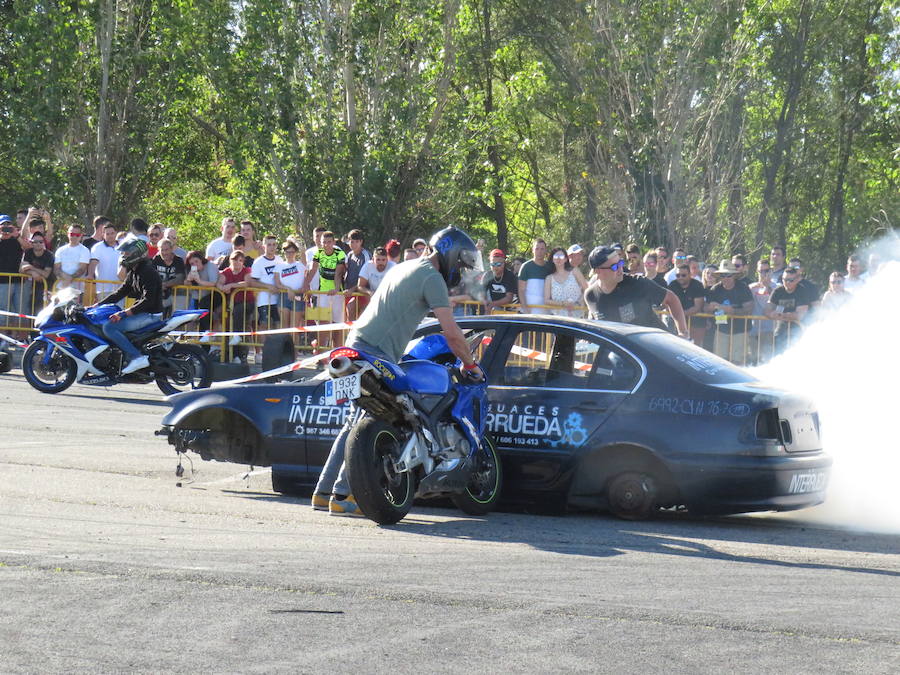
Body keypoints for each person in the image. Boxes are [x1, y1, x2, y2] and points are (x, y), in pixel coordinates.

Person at [312, 226, 485, 517]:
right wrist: (470, 365)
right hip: (376, 352)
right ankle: (344, 494)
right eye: (461, 262)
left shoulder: (405, 267)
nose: (461, 268)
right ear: (450, 254)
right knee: (372, 421)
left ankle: (323, 492)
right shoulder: (431, 278)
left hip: (355, 345)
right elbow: (453, 334)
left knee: (353, 423)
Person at [93, 237, 163, 374]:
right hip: (143, 312)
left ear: (135, 254)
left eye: (126, 253)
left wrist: (124, 313)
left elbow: (149, 301)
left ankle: (136, 357)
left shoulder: (147, 272)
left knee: (109, 327)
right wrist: (95, 306)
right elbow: (120, 293)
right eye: (123, 253)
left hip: (151, 315)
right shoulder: (134, 271)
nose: (123, 256)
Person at [584, 246, 688, 337]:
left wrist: (683, 333)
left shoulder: (638, 283)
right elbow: (595, 322)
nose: (620, 268)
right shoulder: (591, 296)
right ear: (598, 271)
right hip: (624, 353)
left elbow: (672, 299)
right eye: (614, 266)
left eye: (620, 263)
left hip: (657, 346)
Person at [703, 260, 754, 364]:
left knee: (738, 362)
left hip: (740, 330)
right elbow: (705, 307)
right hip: (721, 330)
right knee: (720, 361)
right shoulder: (715, 289)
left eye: (728, 275)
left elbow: (749, 308)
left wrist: (732, 311)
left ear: (734, 275)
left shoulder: (743, 288)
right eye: (723, 275)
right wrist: (711, 307)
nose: (725, 278)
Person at [305, 230, 347, 347]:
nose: (327, 245)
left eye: (329, 242)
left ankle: (337, 353)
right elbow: (312, 270)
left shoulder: (340, 253)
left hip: (337, 294)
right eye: (324, 242)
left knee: (337, 325)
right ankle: (321, 354)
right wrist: (305, 285)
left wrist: (336, 288)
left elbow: (339, 273)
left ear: (333, 242)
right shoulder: (318, 253)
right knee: (323, 325)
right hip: (322, 293)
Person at [216, 250, 254, 363]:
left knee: (238, 318)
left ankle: (240, 352)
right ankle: (229, 353)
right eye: (234, 260)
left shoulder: (246, 270)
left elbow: (247, 283)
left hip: (247, 303)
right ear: (230, 260)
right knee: (225, 320)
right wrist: (222, 287)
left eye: (240, 260)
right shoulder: (227, 272)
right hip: (231, 304)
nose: (237, 262)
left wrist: (231, 285)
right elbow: (219, 283)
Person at [766, 267, 810, 353]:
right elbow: (767, 309)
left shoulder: (802, 291)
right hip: (780, 331)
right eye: (785, 280)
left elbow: (800, 314)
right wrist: (772, 314)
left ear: (797, 279)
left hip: (798, 331)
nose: (787, 282)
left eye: (791, 280)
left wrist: (784, 315)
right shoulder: (777, 291)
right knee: (777, 355)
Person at [249, 234, 283, 329]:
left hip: (278, 299)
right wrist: (268, 287)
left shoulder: (280, 260)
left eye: (274, 244)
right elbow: (252, 282)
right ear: (264, 246)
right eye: (269, 245)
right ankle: (263, 344)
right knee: (264, 325)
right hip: (264, 300)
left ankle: (276, 344)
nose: (272, 247)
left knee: (278, 325)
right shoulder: (258, 262)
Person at [543, 247, 587, 317]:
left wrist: (578, 302)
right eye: (556, 256)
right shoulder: (549, 278)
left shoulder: (575, 271)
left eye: (561, 256)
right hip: (558, 319)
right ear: (552, 259)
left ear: (566, 259)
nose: (558, 259)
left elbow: (587, 289)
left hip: (577, 316)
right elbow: (546, 300)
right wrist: (563, 304)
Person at [667, 263, 705, 343]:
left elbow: (698, 306)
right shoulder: (672, 285)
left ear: (690, 275)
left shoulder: (697, 285)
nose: (680, 277)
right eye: (678, 275)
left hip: (695, 324)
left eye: (683, 275)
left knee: (695, 349)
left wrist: (680, 314)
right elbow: (667, 303)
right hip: (676, 324)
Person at [748, 259, 777, 364]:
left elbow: (776, 303)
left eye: (766, 270)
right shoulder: (751, 287)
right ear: (757, 271)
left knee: (767, 360)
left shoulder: (776, 287)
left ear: (770, 271)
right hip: (753, 329)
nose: (764, 273)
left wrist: (767, 286)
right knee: (753, 360)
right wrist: (752, 288)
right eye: (761, 271)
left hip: (769, 329)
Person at [274, 239, 308, 329]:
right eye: (287, 252)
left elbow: (303, 253)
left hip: (298, 296)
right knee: (284, 327)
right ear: (284, 252)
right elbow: (277, 283)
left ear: (295, 252)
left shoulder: (300, 264)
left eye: (292, 252)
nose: (289, 254)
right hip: (283, 296)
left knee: (295, 327)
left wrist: (296, 242)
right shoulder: (279, 266)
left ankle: (295, 343)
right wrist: (288, 289)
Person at [19, 232, 54, 314]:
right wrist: (33, 273)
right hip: (30, 286)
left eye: (40, 242)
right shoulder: (28, 252)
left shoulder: (49, 255)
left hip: (46, 286)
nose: (38, 244)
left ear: (44, 243)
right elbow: (21, 269)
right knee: (28, 307)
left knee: (41, 309)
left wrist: (31, 267)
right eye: (35, 242)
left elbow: (46, 274)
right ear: (31, 243)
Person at [517, 238, 554, 313]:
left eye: (542, 249)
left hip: (546, 310)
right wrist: (525, 308)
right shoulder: (526, 267)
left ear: (545, 250)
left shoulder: (550, 267)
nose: (539, 252)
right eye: (537, 249)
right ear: (532, 250)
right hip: (530, 310)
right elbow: (521, 290)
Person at [88, 222, 122, 301]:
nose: (110, 236)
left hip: (120, 289)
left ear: (116, 233)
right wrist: (90, 275)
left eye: (112, 233)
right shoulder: (97, 247)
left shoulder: (122, 245)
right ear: (103, 235)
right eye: (108, 234)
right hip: (103, 289)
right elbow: (93, 263)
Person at [152, 238, 186, 318]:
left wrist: (164, 284)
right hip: (160, 295)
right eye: (162, 250)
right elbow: (151, 277)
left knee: (175, 318)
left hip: (177, 294)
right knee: (158, 317)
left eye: (166, 250)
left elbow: (180, 279)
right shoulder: (156, 259)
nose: (164, 253)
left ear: (171, 249)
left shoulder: (178, 260)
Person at [342, 229, 370, 320]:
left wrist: (352, 289)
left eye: (356, 242)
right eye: (351, 241)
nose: (353, 244)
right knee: (346, 317)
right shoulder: (349, 255)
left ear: (361, 242)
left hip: (362, 292)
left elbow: (366, 278)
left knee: (353, 310)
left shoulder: (366, 255)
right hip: (349, 292)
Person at [53, 224, 90, 290]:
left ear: (81, 235)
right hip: (61, 288)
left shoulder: (85, 250)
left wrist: (70, 278)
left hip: (77, 289)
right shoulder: (60, 250)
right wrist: (66, 277)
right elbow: (56, 269)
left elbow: (82, 269)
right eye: (72, 234)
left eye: (77, 235)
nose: (74, 237)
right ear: (67, 234)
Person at [482, 249, 517, 313]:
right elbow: (481, 292)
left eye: (498, 264)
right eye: (493, 264)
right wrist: (485, 301)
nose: (495, 267)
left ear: (503, 264)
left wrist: (492, 304)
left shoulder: (509, 276)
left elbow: (509, 298)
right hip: (491, 310)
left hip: (508, 311)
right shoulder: (487, 275)